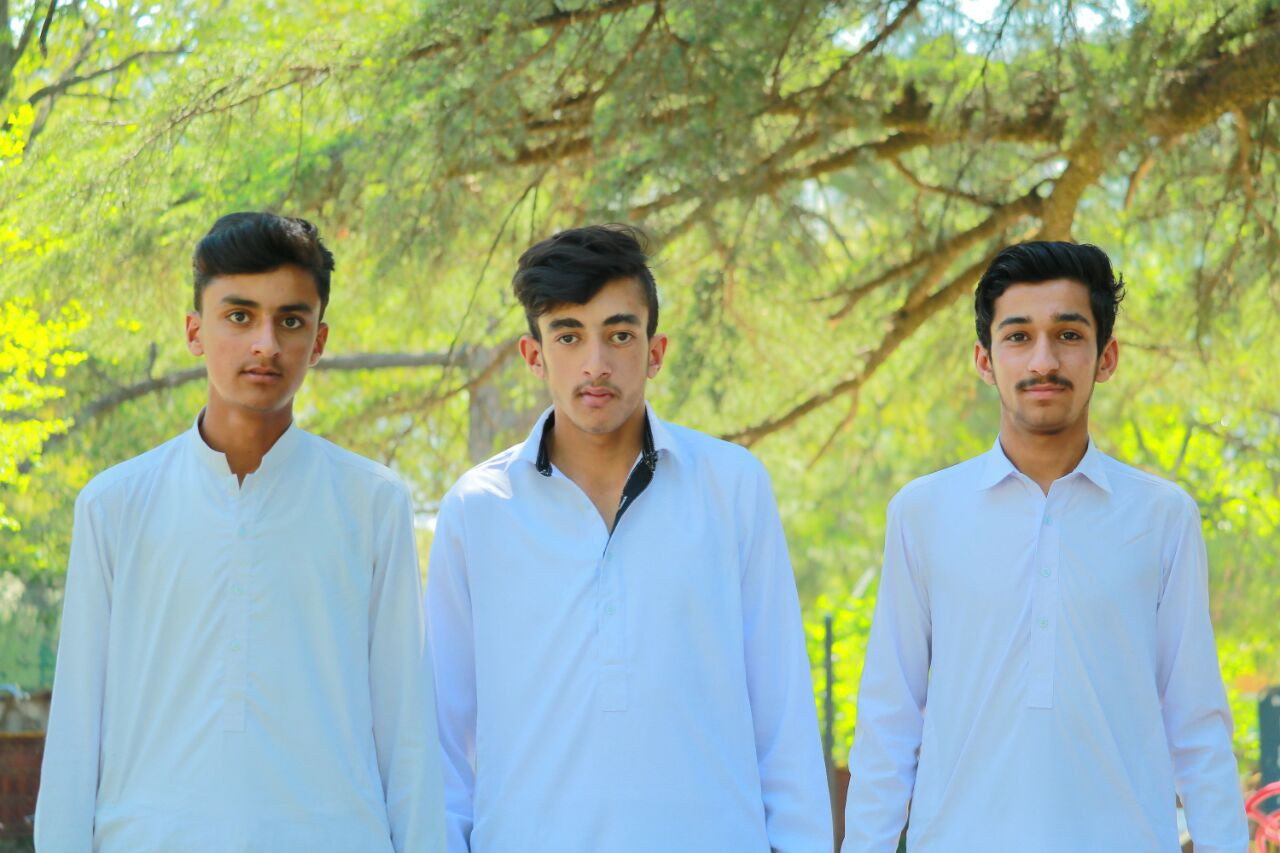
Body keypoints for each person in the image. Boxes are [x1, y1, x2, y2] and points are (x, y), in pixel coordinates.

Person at [36, 212, 445, 851]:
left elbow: (408, 731)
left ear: (319, 340)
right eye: (239, 316)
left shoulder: (371, 503)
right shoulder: (116, 505)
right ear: (195, 332)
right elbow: (75, 727)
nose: (266, 344)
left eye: (291, 321)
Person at [426, 224, 832, 852]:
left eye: (619, 335)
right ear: (534, 356)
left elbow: (782, 715)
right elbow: (442, 739)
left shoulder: (731, 487)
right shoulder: (476, 509)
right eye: (568, 336)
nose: (596, 363)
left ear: (655, 351)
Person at [841, 241, 1248, 852]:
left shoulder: (1164, 517)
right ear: (985, 360)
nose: (1043, 360)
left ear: (1106, 357)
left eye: (1068, 335)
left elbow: (1197, 726)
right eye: (1018, 336)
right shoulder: (923, 512)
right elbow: (888, 722)